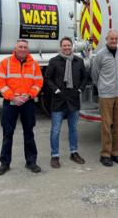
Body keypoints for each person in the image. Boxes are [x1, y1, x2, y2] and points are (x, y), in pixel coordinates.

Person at [0, 39, 44, 175]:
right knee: (7, 133)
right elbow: (0, 82)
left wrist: (29, 95)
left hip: (27, 102)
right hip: (11, 103)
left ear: (28, 50)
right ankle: (5, 163)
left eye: (25, 47)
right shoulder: (6, 63)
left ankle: (31, 162)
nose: (22, 49)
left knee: (29, 133)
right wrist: (12, 97)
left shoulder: (34, 64)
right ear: (15, 49)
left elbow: (38, 82)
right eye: (20, 47)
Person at [45, 37, 87, 169]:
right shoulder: (54, 61)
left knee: (73, 129)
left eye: (69, 45)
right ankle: (55, 155)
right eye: (64, 45)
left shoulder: (78, 61)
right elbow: (47, 78)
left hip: (73, 99)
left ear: (72, 47)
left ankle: (74, 153)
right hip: (59, 100)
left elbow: (85, 77)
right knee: (56, 130)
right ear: (60, 47)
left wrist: (80, 89)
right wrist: (56, 90)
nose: (67, 47)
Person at [91, 29, 118, 167]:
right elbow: (94, 73)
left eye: (116, 38)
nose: (114, 41)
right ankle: (105, 154)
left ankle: (116, 153)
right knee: (106, 125)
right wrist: (101, 87)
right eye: (111, 38)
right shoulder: (100, 55)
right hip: (106, 95)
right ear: (106, 39)